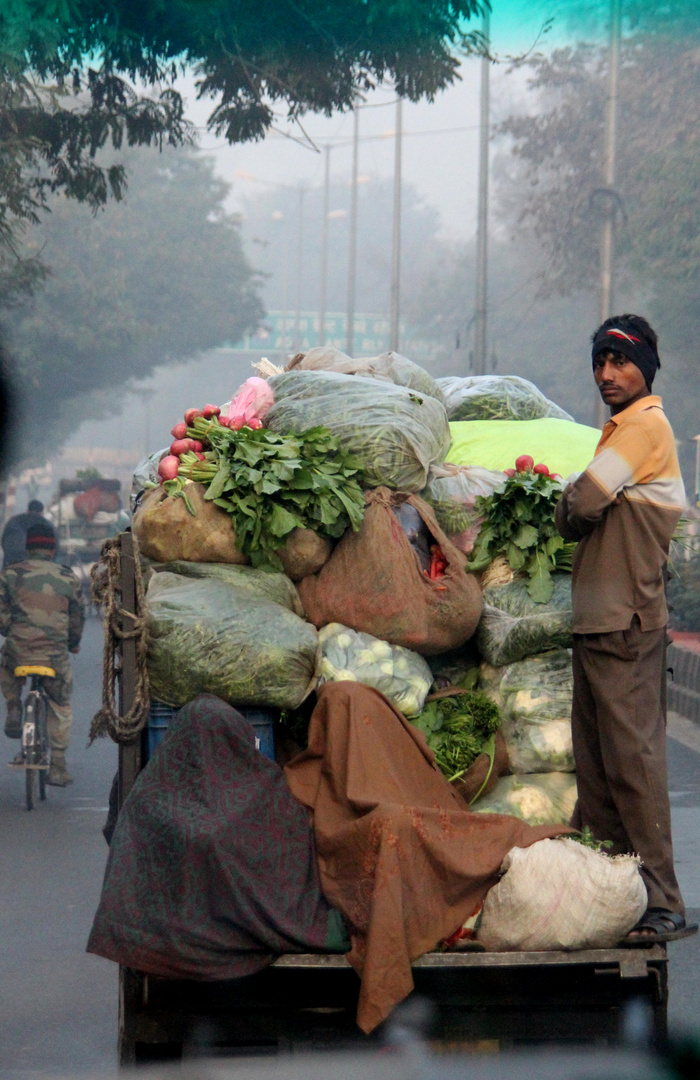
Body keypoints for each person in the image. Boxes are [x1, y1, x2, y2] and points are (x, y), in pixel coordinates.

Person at [555, 313, 694, 942]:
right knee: (599, 769)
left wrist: (566, 501)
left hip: (626, 624)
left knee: (632, 766)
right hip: (599, 624)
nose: (607, 374)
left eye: (620, 361)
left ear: (645, 367)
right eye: (600, 362)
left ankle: (663, 902)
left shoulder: (641, 428)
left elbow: (582, 504)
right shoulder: (623, 429)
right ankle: (617, 895)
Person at [0, 519, 84, 786]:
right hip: (54, 657)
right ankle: (57, 766)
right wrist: (72, 644)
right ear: (52, 550)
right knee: (60, 705)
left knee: (6, 662)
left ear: (27, 548)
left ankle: (13, 706)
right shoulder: (68, 577)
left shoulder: (9, 575)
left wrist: (10, 632)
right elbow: (76, 619)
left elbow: (1, 619)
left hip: (19, 651)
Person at [1, 499, 53, 568]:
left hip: (11, 563)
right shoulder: (47, 524)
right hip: (36, 566)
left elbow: (3, 540)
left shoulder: (13, 521)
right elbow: (55, 548)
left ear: (27, 510)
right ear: (41, 513)